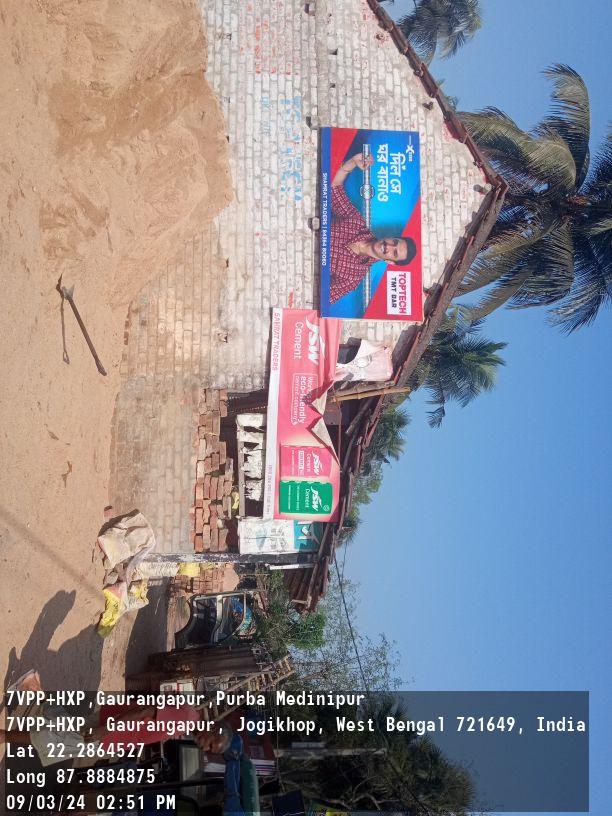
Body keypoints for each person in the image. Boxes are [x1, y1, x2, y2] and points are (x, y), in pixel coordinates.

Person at [329, 152, 417, 303]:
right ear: (391, 237)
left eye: (394, 252)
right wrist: (352, 162)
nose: (389, 246)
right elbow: (334, 188)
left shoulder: (353, 277)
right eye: (394, 242)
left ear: (390, 262)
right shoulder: (356, 222)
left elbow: (324, 298)